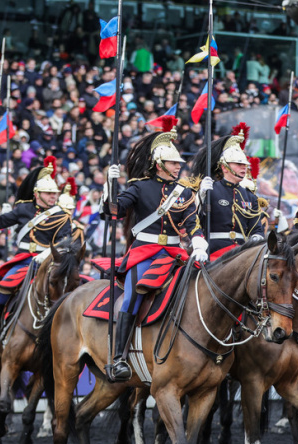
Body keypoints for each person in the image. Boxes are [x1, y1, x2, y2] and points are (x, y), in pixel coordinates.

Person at [103, 115, 205, 382]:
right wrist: (109, 187)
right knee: (131, 298)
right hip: (145, 252)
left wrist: (198, 241)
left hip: (174, 253)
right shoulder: (139, 187)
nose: (178, 167)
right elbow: (115, 211)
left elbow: (191, 221)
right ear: (159, 164)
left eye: (179, 163)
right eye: (173, 163)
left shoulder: (184, 192)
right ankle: (119, 358)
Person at [0, 156, 72, 362]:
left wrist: (48, 253)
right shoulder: (24, 210)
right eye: (49, 193)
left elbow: (66, 241)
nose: (53, 197)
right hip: (24, 260)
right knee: (1, 294)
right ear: (37, 194)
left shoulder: (61, 215)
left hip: (49, 262)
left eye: (55, 193)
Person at [193, 123, 268, 261]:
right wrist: (201, 196)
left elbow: (256, 228)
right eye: (238, 164)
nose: (244, 168)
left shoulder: (249, 196)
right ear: (224, 167)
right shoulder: (211, 189)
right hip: (214, 249)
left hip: (241, 251)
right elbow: (195, 218)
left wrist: (256, 238)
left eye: (245, 165)